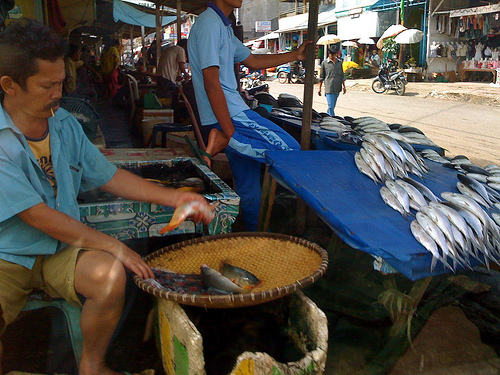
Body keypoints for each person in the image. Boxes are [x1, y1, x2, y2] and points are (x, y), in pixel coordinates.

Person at [0, 19, 213, 375]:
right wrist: (116, 246)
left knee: (110, 277)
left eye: (62, 83)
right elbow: (39, 217)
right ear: (9, 85)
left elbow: (110, 176)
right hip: (8, 253)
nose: (58, 92)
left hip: (57, 252)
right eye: (47, 85)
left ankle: (93, 365)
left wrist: (176, 198)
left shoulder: (64, 123)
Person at [188, 0, 310, 231]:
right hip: (228, 114)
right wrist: (229, 131)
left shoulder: (222, 26)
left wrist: (294, 55)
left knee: (248, 185)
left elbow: (252, 61)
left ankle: (254, 233)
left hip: (226, 113)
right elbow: (211, 82)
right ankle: (225, 139)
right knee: (290, 151)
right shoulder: (209, 24)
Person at [318, 47, 346, 117]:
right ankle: (332, 119)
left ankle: (327, 117)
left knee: (332, 106)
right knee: (330, 106)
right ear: (329, 54)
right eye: (331, 55)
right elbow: (322, 76)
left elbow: (342, 75)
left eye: (334, 55)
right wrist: (319, 88)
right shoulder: (324, 63)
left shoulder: (339, 63)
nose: (333, 57)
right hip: (329, 87)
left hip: (337, 87)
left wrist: (344, 87)